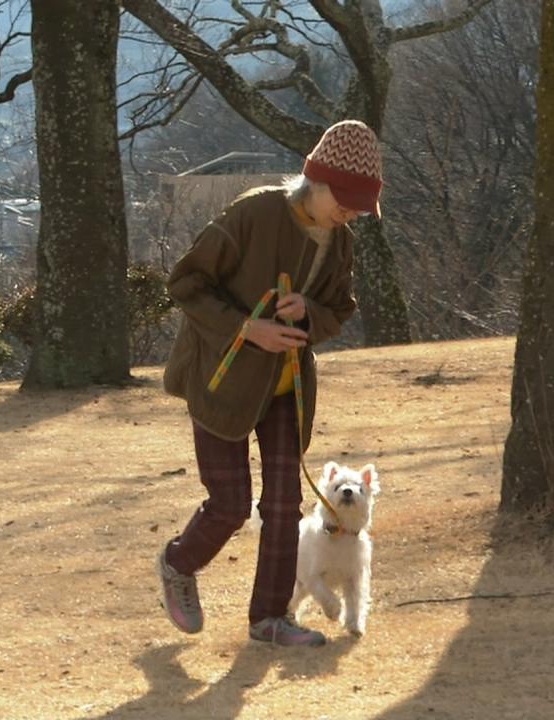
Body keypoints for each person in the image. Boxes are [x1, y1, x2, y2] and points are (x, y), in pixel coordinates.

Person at [157, 120, 384, 647]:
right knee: (231, 504)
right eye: (345, 199)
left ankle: (270, 619)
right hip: (222, 380)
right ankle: (177, 563)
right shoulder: (253, 212)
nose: (350, 212)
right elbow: (185, 283)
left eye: (359, 204)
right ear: (317, 182)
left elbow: (340, 308)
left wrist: (308, 312)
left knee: (284, 505)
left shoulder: (340, 240)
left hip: (287, 387)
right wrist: (246, 328)